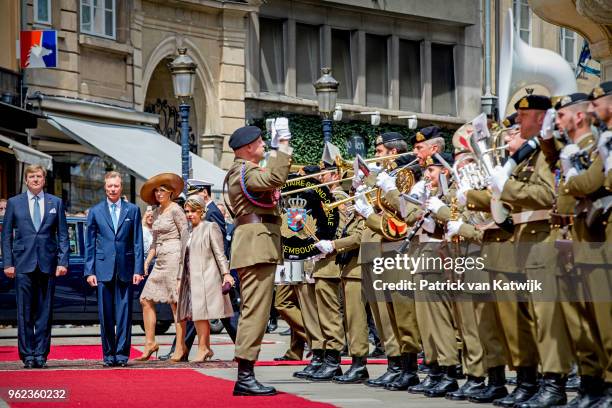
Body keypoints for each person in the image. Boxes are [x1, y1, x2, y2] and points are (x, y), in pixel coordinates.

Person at [226, 120, 292, 396]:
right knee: (256, 311)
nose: (264, 146)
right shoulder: (244, 171)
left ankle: (246, 373)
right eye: (262, 143)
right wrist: (283, 147)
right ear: (249, 147)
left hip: (256, 244)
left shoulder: (245, 170)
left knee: (257, 310)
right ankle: (245, 376)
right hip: (256, 245)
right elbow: (274, 179)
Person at [1, 164, 69, 369]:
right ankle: (27, 354)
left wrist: (63, 261)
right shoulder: (14, 203)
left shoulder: (55, 202)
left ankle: (41, 354)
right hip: (22, 265)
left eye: (39, 176)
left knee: (44, 312)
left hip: (47, 265)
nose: (35, 179)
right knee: (24, 312)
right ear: (26, 180)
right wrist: (8, 263)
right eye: (31, 176)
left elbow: (63, 235)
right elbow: (5, 237)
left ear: (44, 179)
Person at [84, 171, 144, 367]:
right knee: (106, 314)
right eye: (109, 186)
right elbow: (90, 243)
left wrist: (138, 270)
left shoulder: (132, 210)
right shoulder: (95, 211)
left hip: (126, 269)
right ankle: (108, 355)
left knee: (124, 315)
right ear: (105, 187)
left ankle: (122, 355)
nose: (112, 189)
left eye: (116, 186)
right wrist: (90, 271)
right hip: (102, 269)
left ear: (121, 187)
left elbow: (137, 243)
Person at [176, 195, 235, 362]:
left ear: (202, 211)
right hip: (190, 278)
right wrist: (179, 278)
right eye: (187, 211)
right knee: (195, 315)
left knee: (200, 314)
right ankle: (206, 348)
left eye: (193, 211)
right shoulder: (186, 231)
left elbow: (219, 253)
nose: (189, 214)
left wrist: (226, 274)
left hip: (207, 276)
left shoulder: (211, 227)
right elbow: (183, 257)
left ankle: (203, 349)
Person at [137, 173, 188, 361]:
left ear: (171, 193)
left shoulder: (176, 210)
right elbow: (155, 242)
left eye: (162, 190)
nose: (158, 193)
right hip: (160, 260)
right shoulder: (157, 212)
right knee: (145, 299)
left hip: (175, 258)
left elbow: (185, 237)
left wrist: (182, 267)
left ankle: (181, 346)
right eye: (156, 190)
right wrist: (146, 261)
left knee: (175, 303)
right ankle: (150, 343)